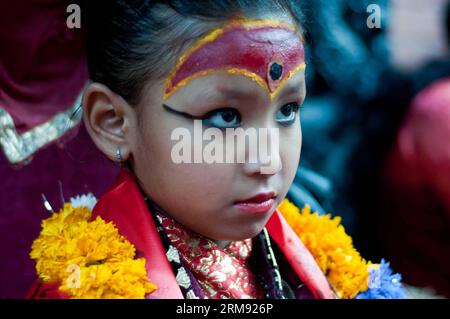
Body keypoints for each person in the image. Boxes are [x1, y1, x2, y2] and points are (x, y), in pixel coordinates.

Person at [27, 0, 404, 299]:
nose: (268, 160)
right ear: (114, 122)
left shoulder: (318, 263)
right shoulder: (84, 288)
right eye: (225, 117)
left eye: (288, 110)